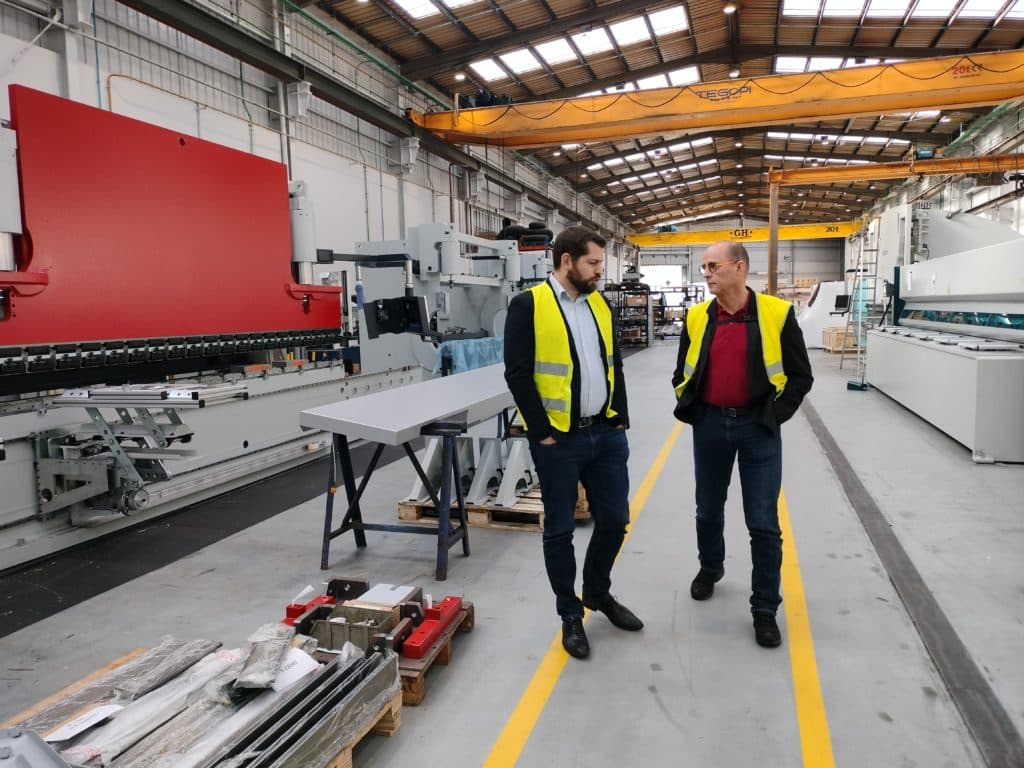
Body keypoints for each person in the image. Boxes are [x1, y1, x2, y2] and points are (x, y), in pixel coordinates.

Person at [504, 225, 643, 659]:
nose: (601, 270)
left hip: (605, 433)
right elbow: (518, 373)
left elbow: (613, 364)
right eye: (593, 262)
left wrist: (619, 417)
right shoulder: (528, 305)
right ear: (567, 261)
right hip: (559, 440)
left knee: (615, 519)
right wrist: (541, 431)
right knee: (561, 529)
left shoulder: (600, 304)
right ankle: (570, 613)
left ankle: (597, 592)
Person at [671, 241, 813, 648]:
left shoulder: (776, 314)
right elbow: (682, 370)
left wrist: (774, 415)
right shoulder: (697, 316)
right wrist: (694, 409)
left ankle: (764, 607)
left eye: (713, 266)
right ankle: (710, 567)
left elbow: (800, 376)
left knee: (763, 521)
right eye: (703, 267)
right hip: (710, 426)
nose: (706, 273)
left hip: (758, 428)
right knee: (707, 509)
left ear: (739, 267)